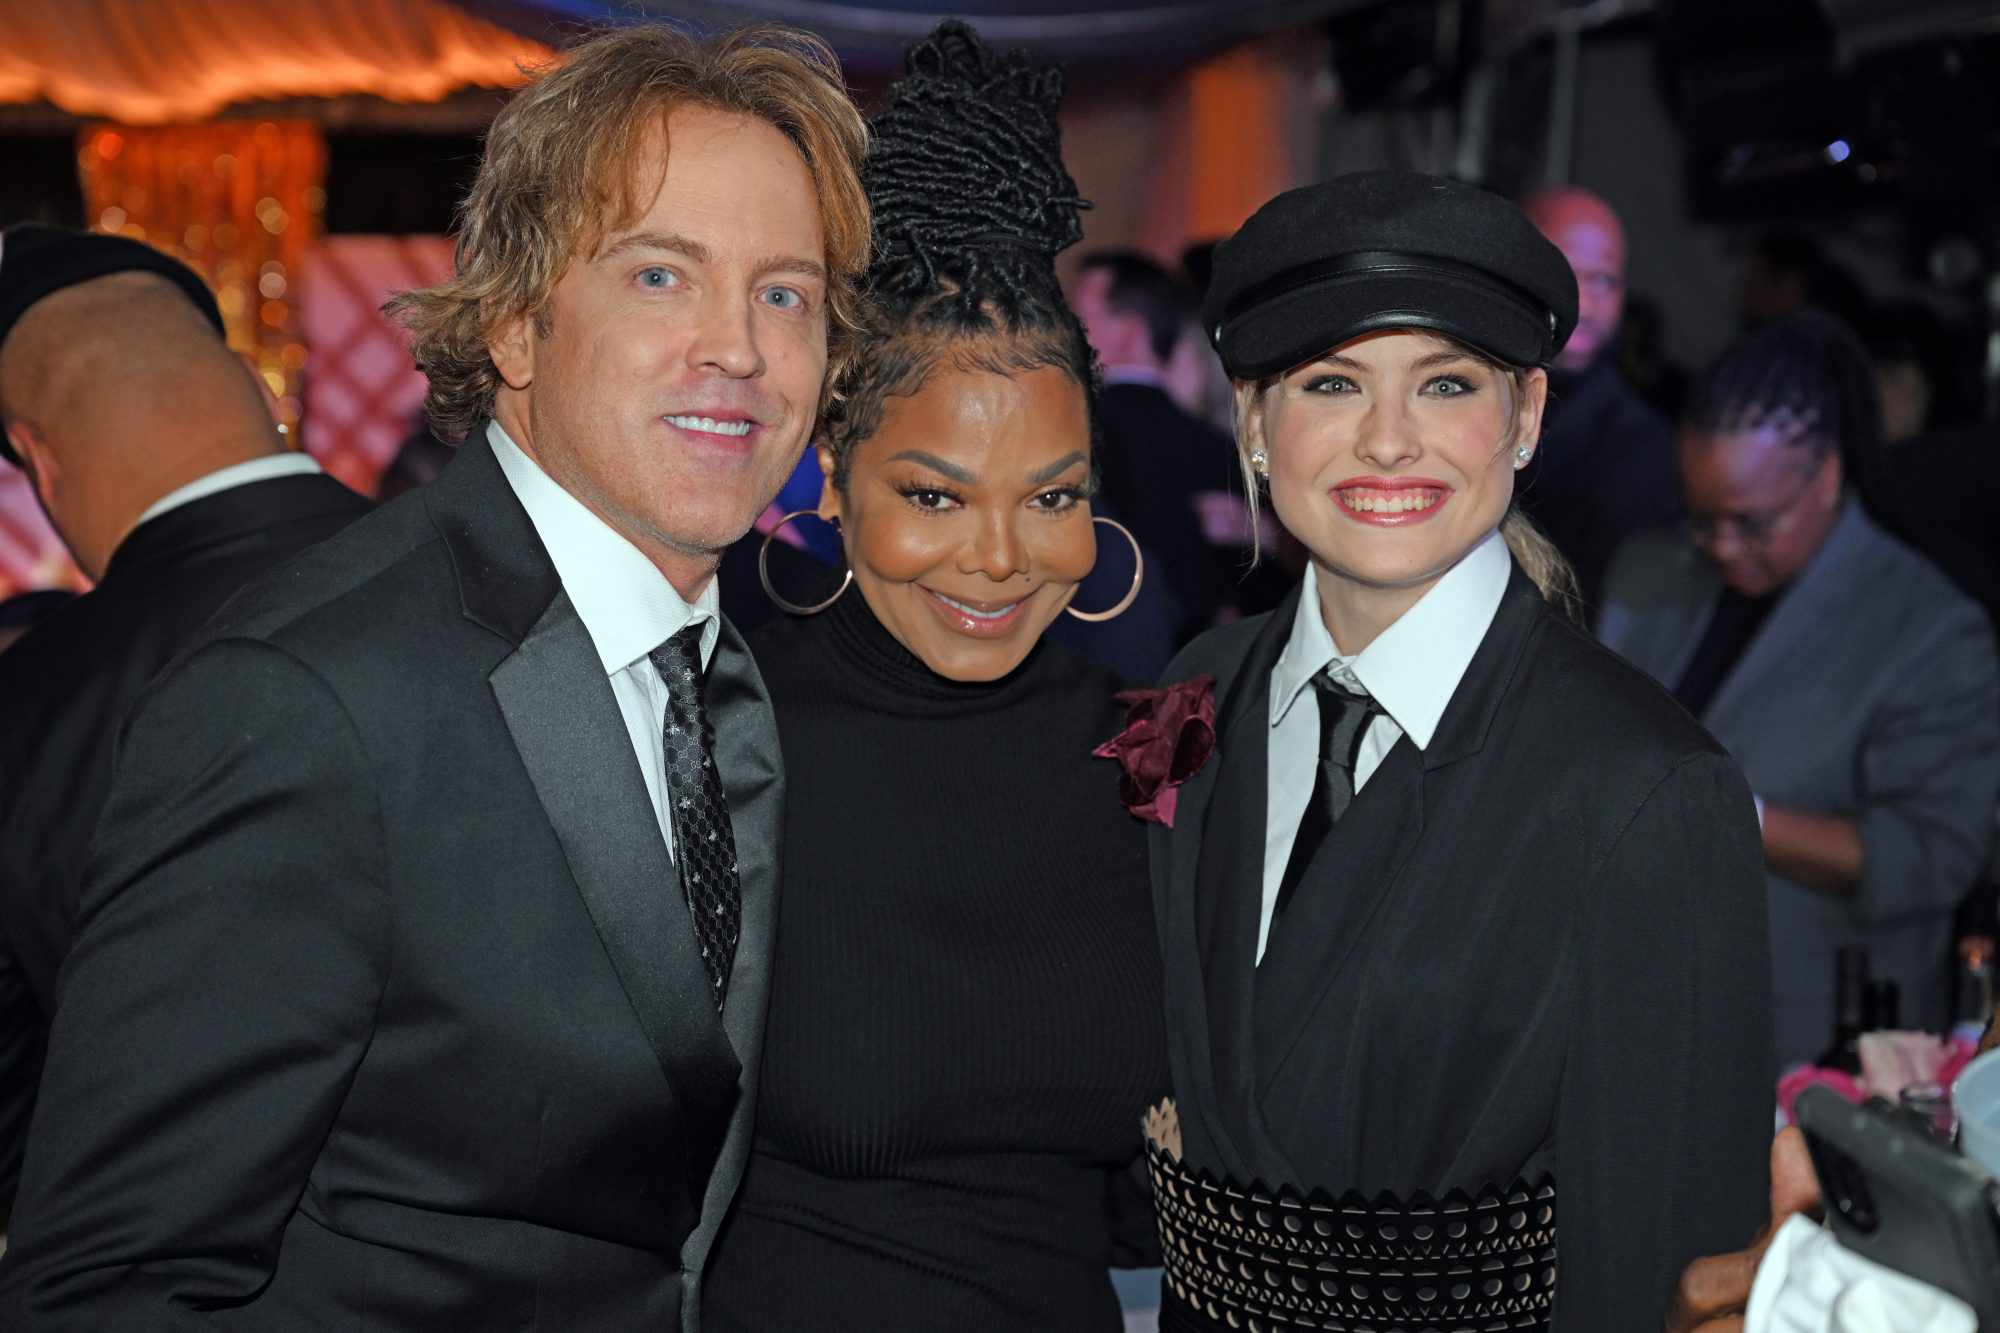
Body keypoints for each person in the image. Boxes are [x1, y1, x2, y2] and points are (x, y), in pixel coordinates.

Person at [0, 23, 868, 1330]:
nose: (738, 347)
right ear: (516, 321)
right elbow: (113, 1286)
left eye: (785, 293)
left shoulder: (710, 667)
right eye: (658, 277)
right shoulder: (310, 700)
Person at [1128, 170, 1774, 1330]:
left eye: (1444, 383)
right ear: (1251, 422)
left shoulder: (1644, 788)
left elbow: (1667, 1261)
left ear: (1523, 416)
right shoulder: (1187, 697)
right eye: (1329, 383)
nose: (1387, 440)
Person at [701, 26, 1166, 1330]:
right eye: (934, 495)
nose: (1003, 559)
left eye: (1054, 496)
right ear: (835, 481)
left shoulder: (1161, 747)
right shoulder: (727, 729)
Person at [0, 228, 371, 1221]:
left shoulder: (27, 713)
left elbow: (23, 1146)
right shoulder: (511, 577)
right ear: (254, 388)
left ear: (37, 460)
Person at [1598, 312, 2000, 1067]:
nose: (1719, 545)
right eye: (1702, 519)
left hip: (1810, 1041)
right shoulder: (1649, 574)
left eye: (1751, 523)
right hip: (1632, 1002)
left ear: (1827, 477)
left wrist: (1736, 815)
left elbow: (1932, 856)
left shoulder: (1930, 628)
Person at [1513, 186, 1680, 610]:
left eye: (1604, 280)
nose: (1585, 302)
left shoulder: (1642, 448)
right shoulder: (1450, 394)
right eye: (1565, 272)